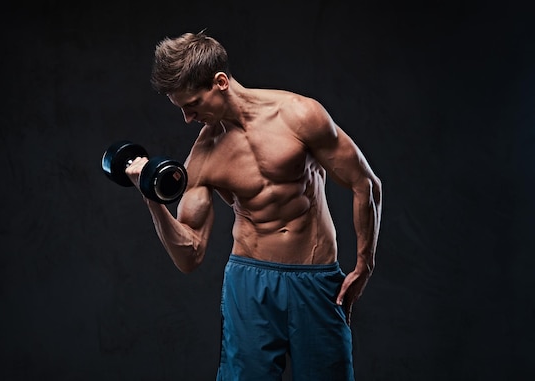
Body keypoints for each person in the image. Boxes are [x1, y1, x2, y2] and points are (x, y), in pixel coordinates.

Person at [124, 30, 382, 381]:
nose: (188, 118)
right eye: (182, 110)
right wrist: (151, 198)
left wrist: (364, 264)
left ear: (220, 82)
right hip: (249, 283)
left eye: (193, 105)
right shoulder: (202, 158)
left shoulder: (299, 115)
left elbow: (364, 183)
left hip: (315, 278)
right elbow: (190, 254)